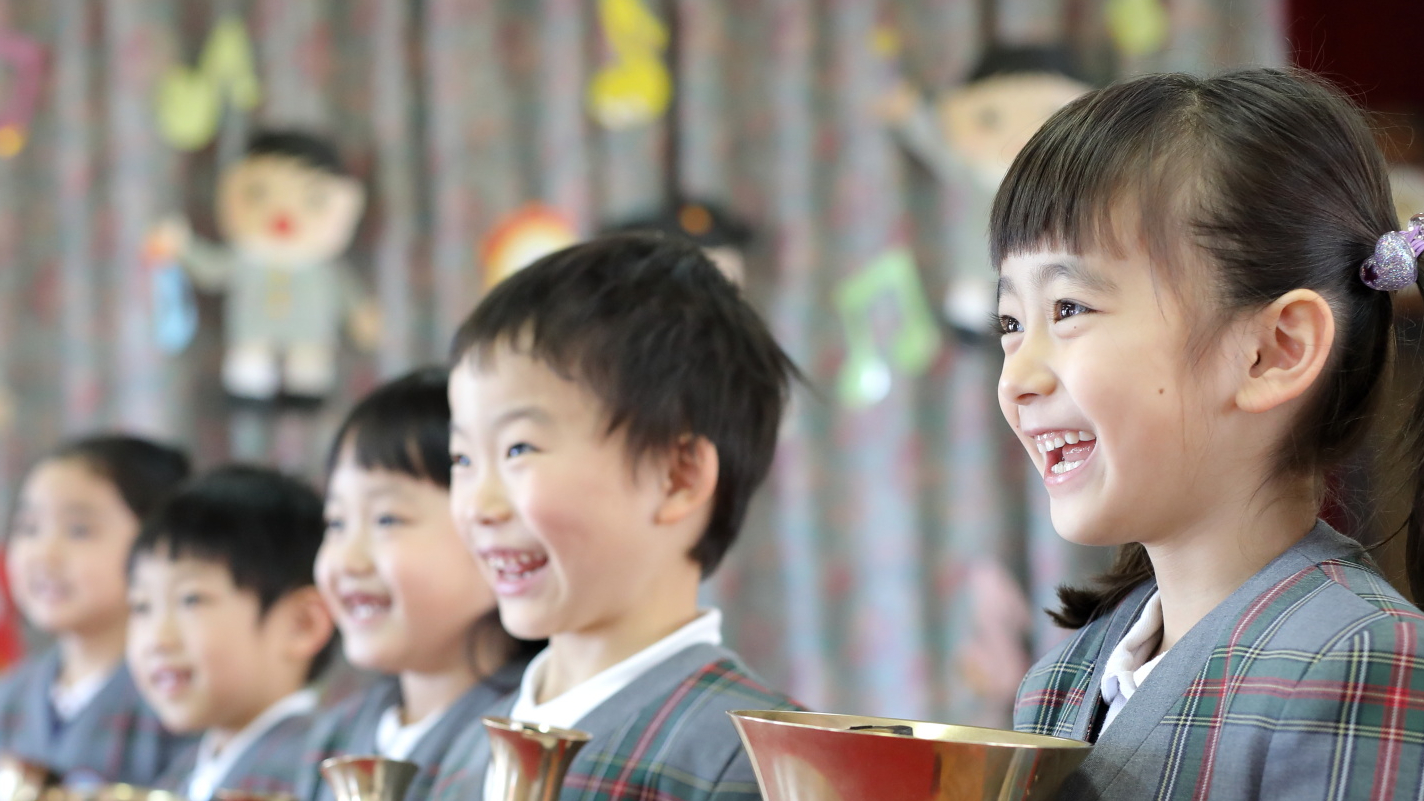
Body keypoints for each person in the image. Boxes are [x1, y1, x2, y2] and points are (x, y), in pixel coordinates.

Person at [997, 68, 1424, 799]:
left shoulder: (1362, 657)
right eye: (1010, 323)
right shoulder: (1060, 683)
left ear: (1273, 351)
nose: (1016, 378)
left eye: (1068, 308)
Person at [433, 233, 803, 801]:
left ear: (677, 477)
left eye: (518, 449)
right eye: (462, 458)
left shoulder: (764, 765)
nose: (477, 507)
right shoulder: (459, 747)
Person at [296, 368, 540, 801]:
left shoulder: (524, 742)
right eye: (335, 522)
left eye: (387, 519)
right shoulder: (337, 732)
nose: (347, 560)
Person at [129, 466, 334, 800]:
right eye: (141, 607)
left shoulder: (315, 771)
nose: (156, 640)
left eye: (190, 600)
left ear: (301, 624)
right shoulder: (184, 771)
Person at [0, 435, 193, 786]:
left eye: (79, 530)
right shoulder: (9, 695)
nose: (44, 554)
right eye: (28, 528)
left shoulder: (180, 698)